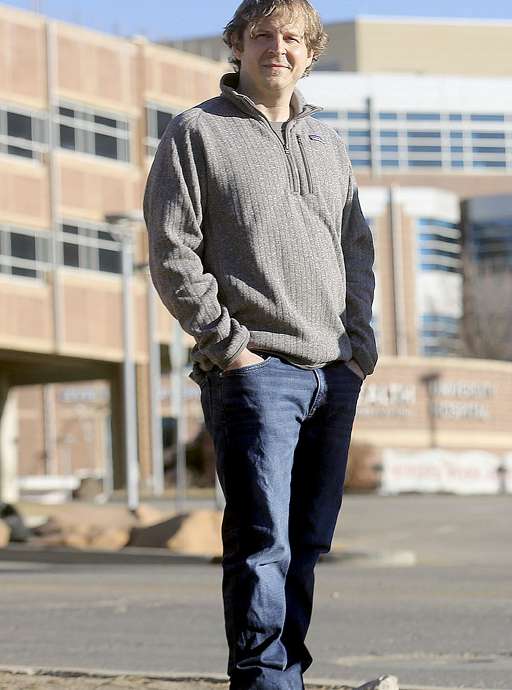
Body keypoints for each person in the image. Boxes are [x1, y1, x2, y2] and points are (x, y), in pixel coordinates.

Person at [143, 0, 376, 687]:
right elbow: (172, 250)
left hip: (333, 373)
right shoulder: (197, 132)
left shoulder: (327, 144)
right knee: (261, 544)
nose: (279, 47)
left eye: (293, 38)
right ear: (237, 47)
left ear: (311, 52)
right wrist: (229, 347)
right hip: (256, 372)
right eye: (264, 35)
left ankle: (288, 675)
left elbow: (356, 249)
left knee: (305, 543)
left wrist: (359, 349)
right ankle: (264, 680)